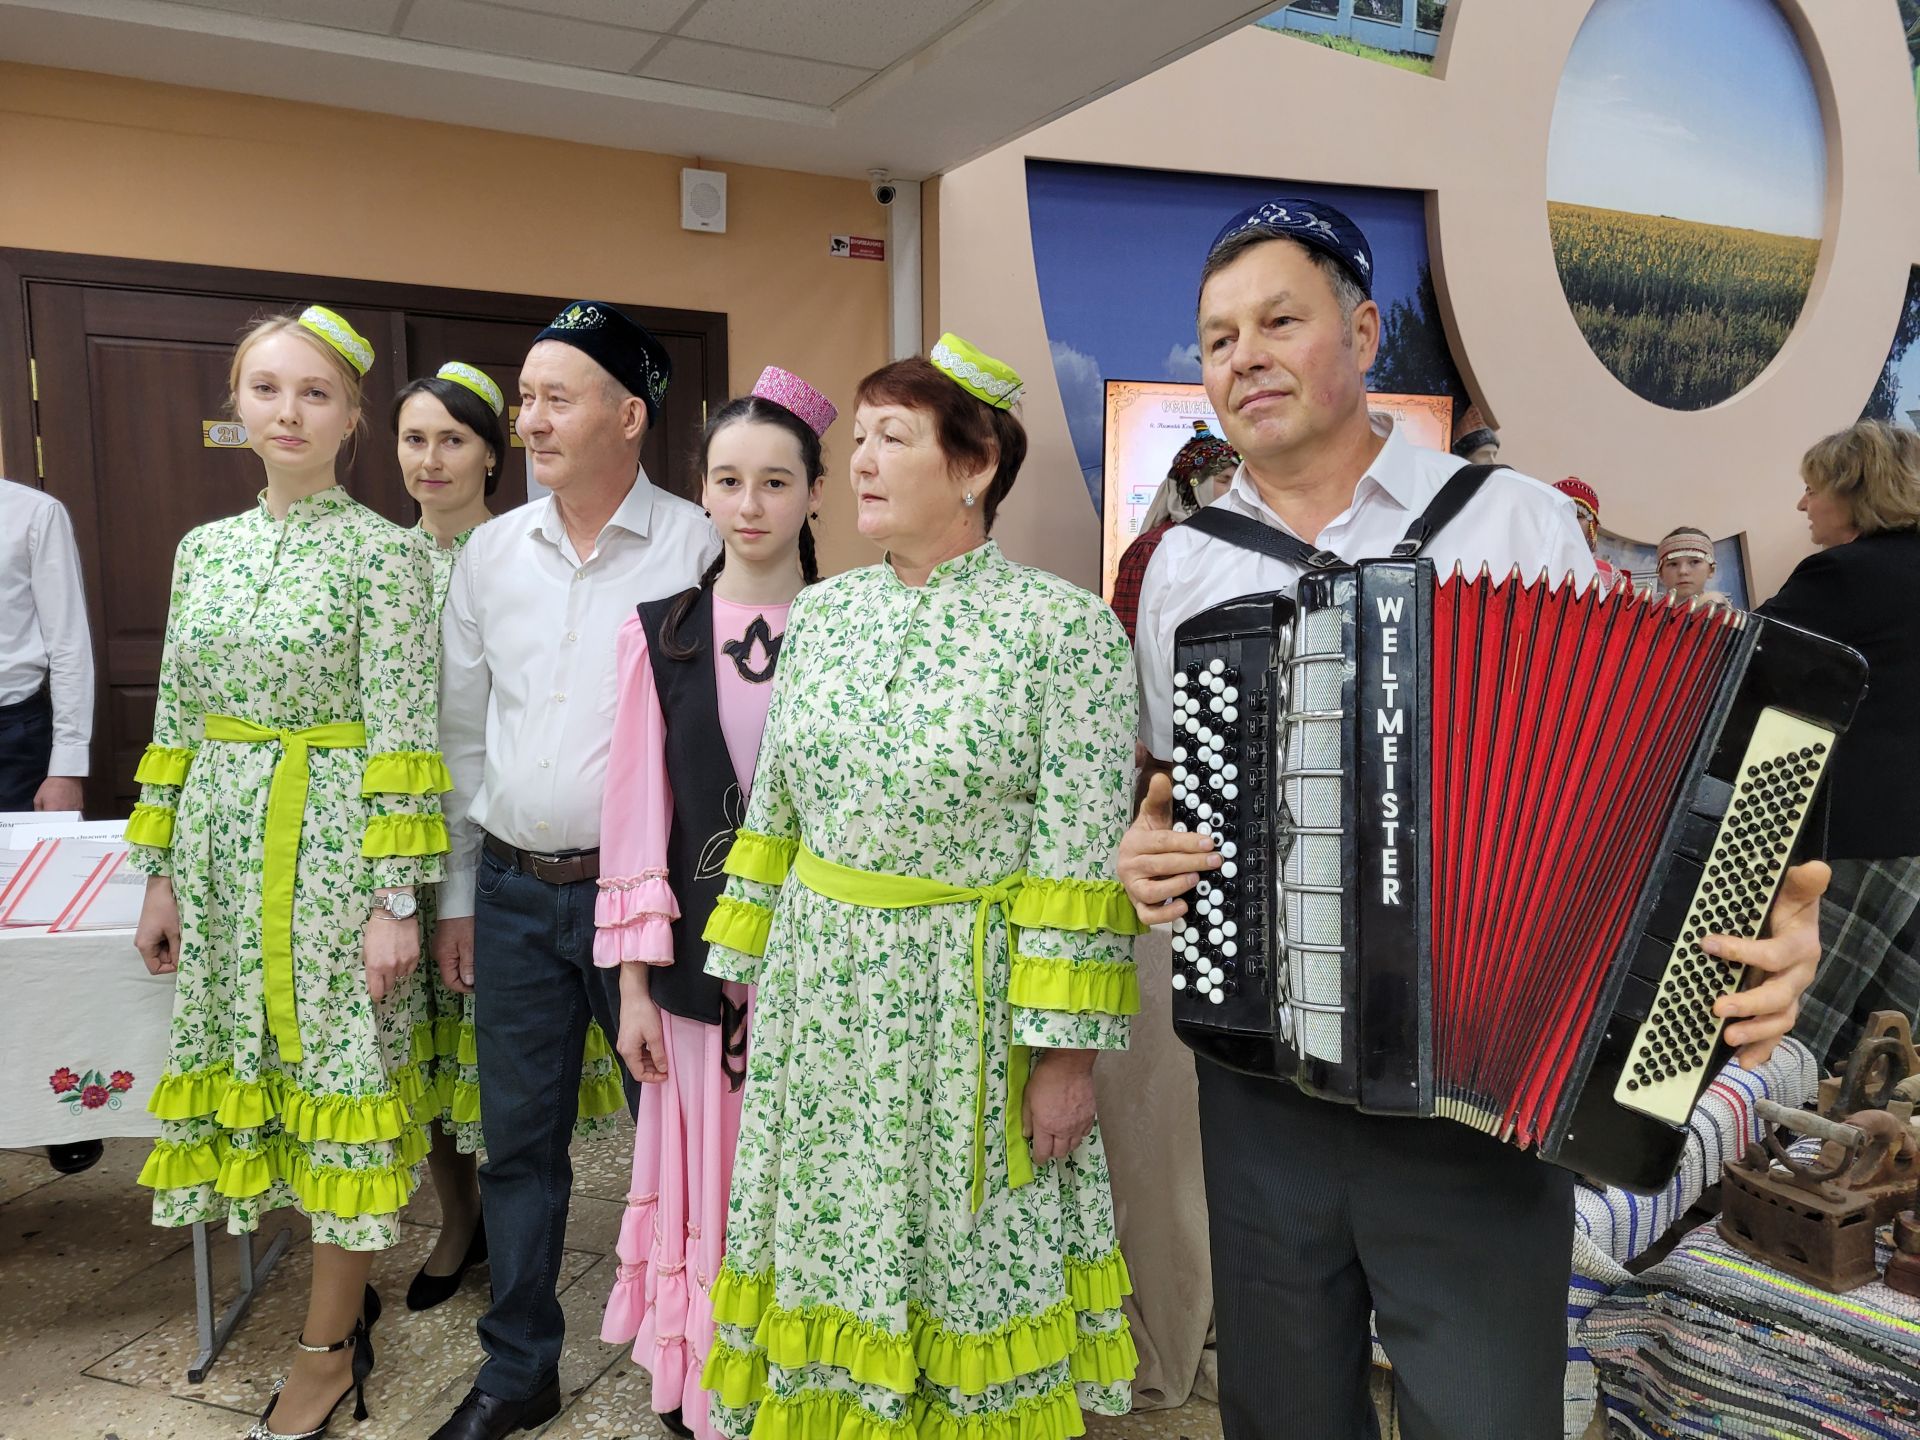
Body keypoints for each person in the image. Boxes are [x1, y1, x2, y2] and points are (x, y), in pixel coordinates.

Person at [1115, 197, 1830, 1440]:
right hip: (1259, 1086)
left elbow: (1657, 782)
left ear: (1366, 331)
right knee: (1281, 1416)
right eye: (1217, 337)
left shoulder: (1514, 524)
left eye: (1280, 319)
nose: (1243, 357)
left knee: (1489, 1418)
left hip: (1482, 1098)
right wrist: (1147, 852)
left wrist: (1765, 919)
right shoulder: (1187, 563)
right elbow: (1169, 791)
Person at [695, 335, 1142, 1440]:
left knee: (963, 1269)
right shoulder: (827, 617)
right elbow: (778, 817)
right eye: (858, 441)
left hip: (970, 1015)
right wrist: (745, 977)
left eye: (893, 438)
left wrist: (1066, 1061)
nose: (860, 465)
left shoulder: (1066, 633)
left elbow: (1079, 861)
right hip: (824, 1007)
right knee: (836, 1250)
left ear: (977, 462)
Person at [128, 306, 447, 1439]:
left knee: (344, 1098)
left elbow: (408, 736)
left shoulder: (391, 555)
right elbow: (175, 716)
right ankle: (332, 1312)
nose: (288, 412)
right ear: (236, 408)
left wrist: (393, 902)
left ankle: (322, 1355)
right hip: (220, 859)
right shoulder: (202, 551)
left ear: (353, 416)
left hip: (329, 858)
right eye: (267, 389)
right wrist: (159, 873)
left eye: (315, 393)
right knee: (263, 1084)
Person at [430, 301, 719, 1440]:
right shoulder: (494, 553)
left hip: (646, 905)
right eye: (526, 398)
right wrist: (456, 895)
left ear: (629, 414)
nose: (528, 420)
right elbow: (462, 736)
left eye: (556, 396)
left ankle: (693, 1369)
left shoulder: (700, 544)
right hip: (507, 891)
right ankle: (517, 1369)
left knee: (687, 1140)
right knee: (520, 1145)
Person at [596, 366, 832, 1440]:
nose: (751, 504)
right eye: (730, 480)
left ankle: (809, 1373)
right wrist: (634, 986)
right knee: (714, 1173)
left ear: (816, 494)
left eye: (776, 481)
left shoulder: (857, 630)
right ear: (702, 492)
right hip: (699, 976)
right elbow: (637, 817)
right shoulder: (661, 634)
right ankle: (710, 1389)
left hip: (832, 970)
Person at [391, 362, 626, 1314]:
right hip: (430, 844)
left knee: (526, 1088)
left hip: (568, 868)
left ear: (493, 453)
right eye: (413, 439)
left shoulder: (528, 553)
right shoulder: (385, 559)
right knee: (453, 1069)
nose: (432, 459)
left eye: (453, 439)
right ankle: (466, 1234)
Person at [1757, 420, 1920, 1073]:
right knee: (1888, 1065)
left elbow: (1739, 665)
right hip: (1911, 852)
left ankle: (1751, 1168)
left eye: (1811, 488)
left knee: (1792, 1043)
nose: (1802, 505)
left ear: (1854, 491)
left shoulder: (1844, 576)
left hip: (1857, 842)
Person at [1, 475, 102, 1176]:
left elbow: (67, 644)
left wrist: (66, 762)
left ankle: (52, 1103)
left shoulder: (32, 513)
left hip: (16, 735)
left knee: (29, 936)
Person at [1109, 420, 1238, 642]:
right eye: (1223, 480)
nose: (1233, 489)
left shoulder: (1241, 540)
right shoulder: (1152, 548)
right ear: (1196, 484)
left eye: (1237, 480)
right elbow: (1125, 637)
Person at [1552, 476, 1630, 591]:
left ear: (1592, 526)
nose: (1571, 521)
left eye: (1579, 516)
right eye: (1564, 514)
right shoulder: (1531, 563)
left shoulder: (1609, 576)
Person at [1655, 525, 1729, 605]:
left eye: (1695, 562)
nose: (1683, 571)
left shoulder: (1724, 614)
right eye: (1673, 564)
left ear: (1711, 569)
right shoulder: (1644, 613)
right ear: (1660, 573)